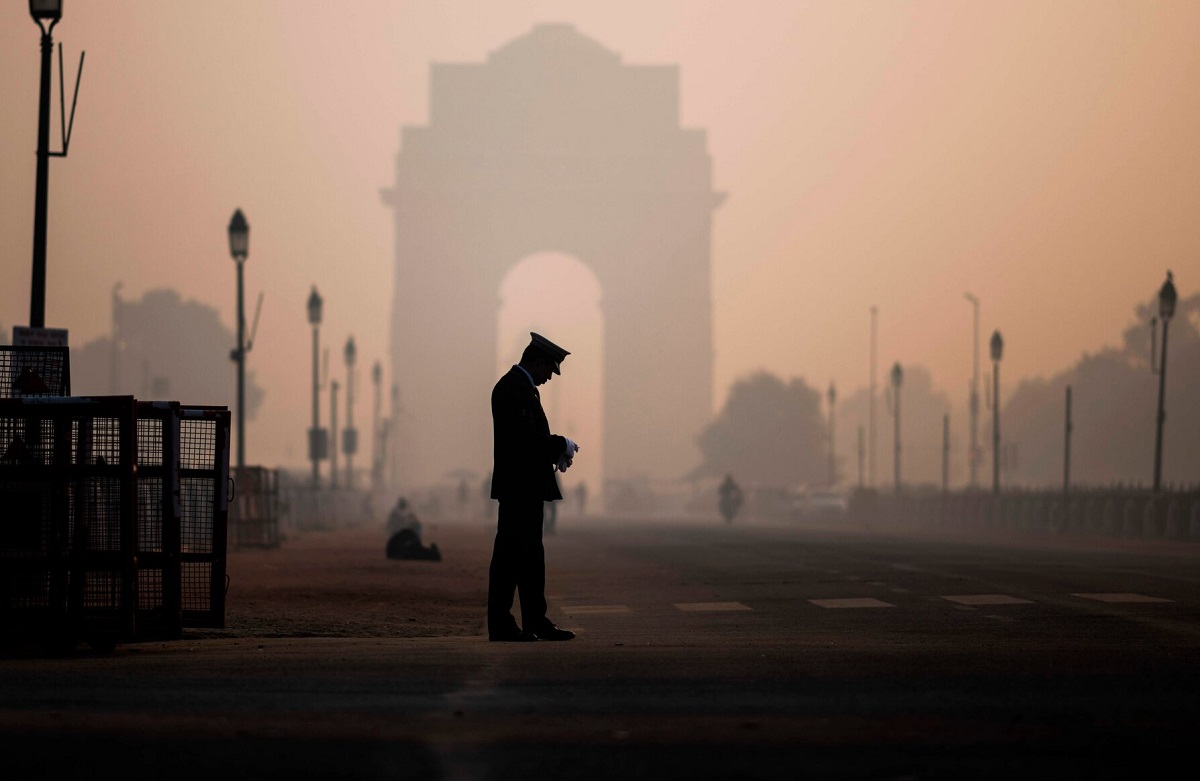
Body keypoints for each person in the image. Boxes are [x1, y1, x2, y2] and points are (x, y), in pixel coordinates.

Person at [486, 332, 580, 642]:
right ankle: (502, 624)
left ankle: (534, 620)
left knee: (528, 557)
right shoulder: (513, 389)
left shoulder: (520, 388)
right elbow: (524, 441)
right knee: (511, 559)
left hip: (524, 487)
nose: (550, 378)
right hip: (518, 488)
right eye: (549, 370)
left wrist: (555, 450)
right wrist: (560, 444)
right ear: (537, 361)